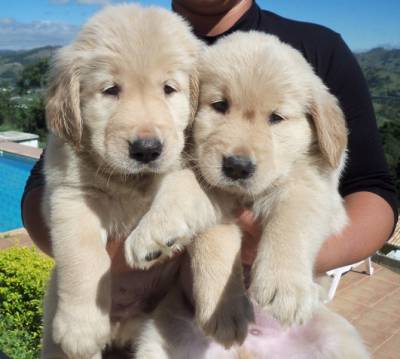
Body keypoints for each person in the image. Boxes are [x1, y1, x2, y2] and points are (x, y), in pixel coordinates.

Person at [22, 0, 397, 354]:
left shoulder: (318, 49)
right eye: (218, 106)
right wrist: (102, 274)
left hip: (246, 307)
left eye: (170, 89)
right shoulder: (139, 43)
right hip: (143, 315)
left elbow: (374, 189)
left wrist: (284, 257)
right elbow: (47, 191)